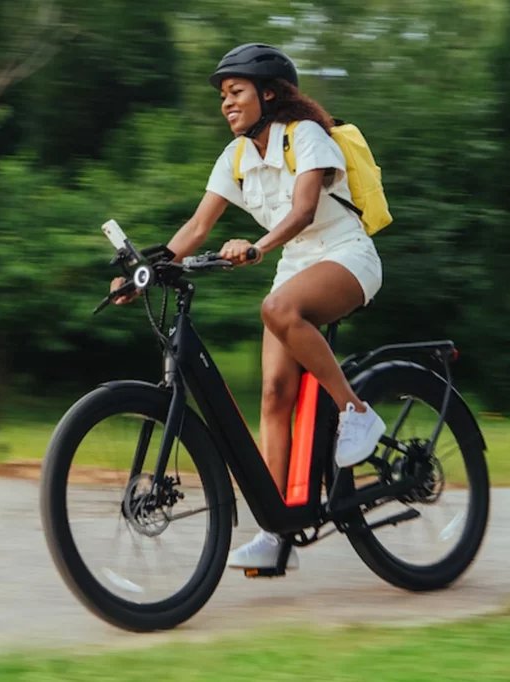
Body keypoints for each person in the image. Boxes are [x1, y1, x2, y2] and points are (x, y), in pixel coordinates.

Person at [110, 43, 387, 571]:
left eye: (235, 92)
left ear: (269, 94)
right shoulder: (236, 157)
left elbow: (305, 210)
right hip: (294, 266)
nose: (226, 103)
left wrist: (258, 247)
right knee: (273, 394)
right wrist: (142, 277)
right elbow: (196, 229)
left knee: (276, 308)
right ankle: (277, 531)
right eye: (222, 96)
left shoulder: (304, 135)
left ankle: (357, 412)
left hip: (346, 255)